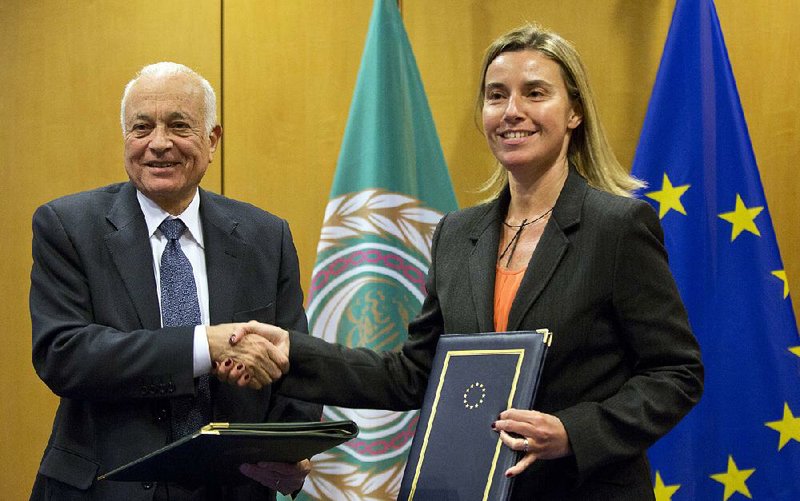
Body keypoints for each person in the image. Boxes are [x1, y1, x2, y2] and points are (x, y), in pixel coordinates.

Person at [222, 23, 705, 500]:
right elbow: (415, 374)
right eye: (497, 96)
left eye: (535, 93)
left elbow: (675, 373)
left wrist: (574, 432)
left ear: (574, 111)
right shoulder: (457, 234)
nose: (513, 111)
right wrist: (294, 351)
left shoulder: (617, 227)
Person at [29, 62, 321, 500]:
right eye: (141, 127)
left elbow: (293, 361)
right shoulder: (68, 226)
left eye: (179, 126)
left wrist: (290, 448)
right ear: (125, 137)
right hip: (105, 487)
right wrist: (204, 345)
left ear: (212, 139)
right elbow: (64, 355)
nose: (158, 144)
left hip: (231, 488)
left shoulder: (266, 235)